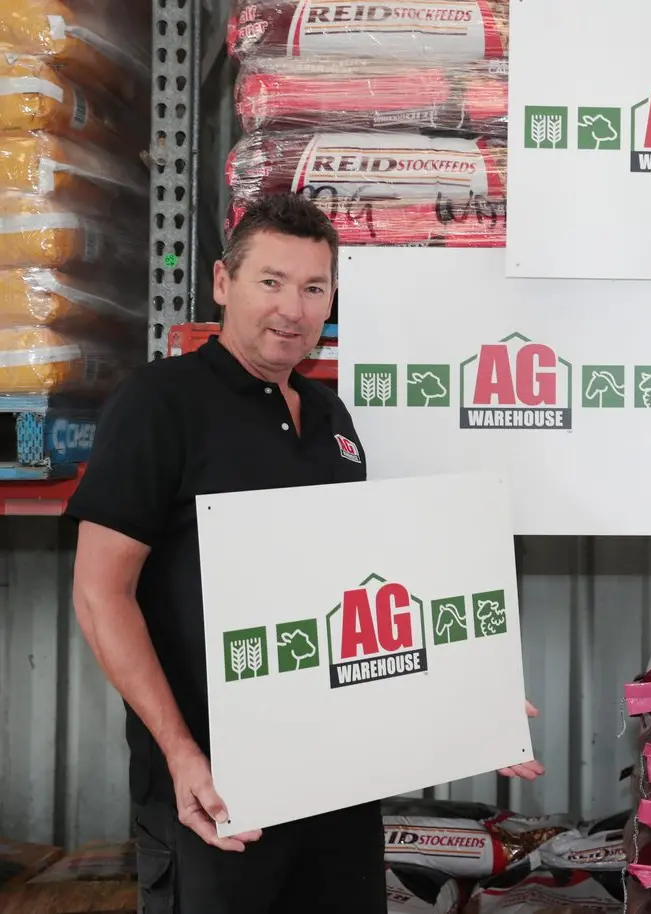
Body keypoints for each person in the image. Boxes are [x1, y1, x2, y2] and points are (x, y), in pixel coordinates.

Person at [66, 193, 544, 914]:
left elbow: (359, 595)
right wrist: (181, 754)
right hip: (218, 790)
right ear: (223, 285)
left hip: (335, 780)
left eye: (313, 288)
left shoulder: (329, 417)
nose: (291, 308)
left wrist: (466, 705)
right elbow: (101, 593)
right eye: (270, 281)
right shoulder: (160, 403)